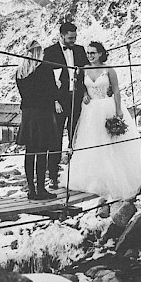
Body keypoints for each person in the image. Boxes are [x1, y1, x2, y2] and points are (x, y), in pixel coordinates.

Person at [67, 41, 141, 208]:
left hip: (107, 107)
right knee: (93, 143)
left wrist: (118, 111)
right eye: (88, 53)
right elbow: (80, 86)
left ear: (101, 54)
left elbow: (116, 90)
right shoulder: (84, 69)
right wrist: (85, 94)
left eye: (93, 52)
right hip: (91, 110)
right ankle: (95, 176)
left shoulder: (109, 70)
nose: (90, 55)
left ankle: (116, 176)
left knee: (112, 143)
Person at [43, 21, 89, 185]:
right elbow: (46, 79)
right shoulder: (50, 52)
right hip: (59, 101)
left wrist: (85, 91)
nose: (73, 40)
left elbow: (86, 71)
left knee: (76, 136)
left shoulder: (80, 50)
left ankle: (75, 174)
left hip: (76, 98)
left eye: (75, 37)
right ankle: (53, 176)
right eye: (70, 37)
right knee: (55, 138)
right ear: (61, 36)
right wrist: (54, 100)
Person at [15, 40, 59, 199]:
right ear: (39, 52)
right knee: (42, 152)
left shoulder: (20, 72)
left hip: (28, 115)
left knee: (30, 151)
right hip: (43, 114)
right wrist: (58, 84)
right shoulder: (45, 68)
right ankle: (41, 189)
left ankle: (31, 189)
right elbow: (52, 91)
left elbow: (25, 94)